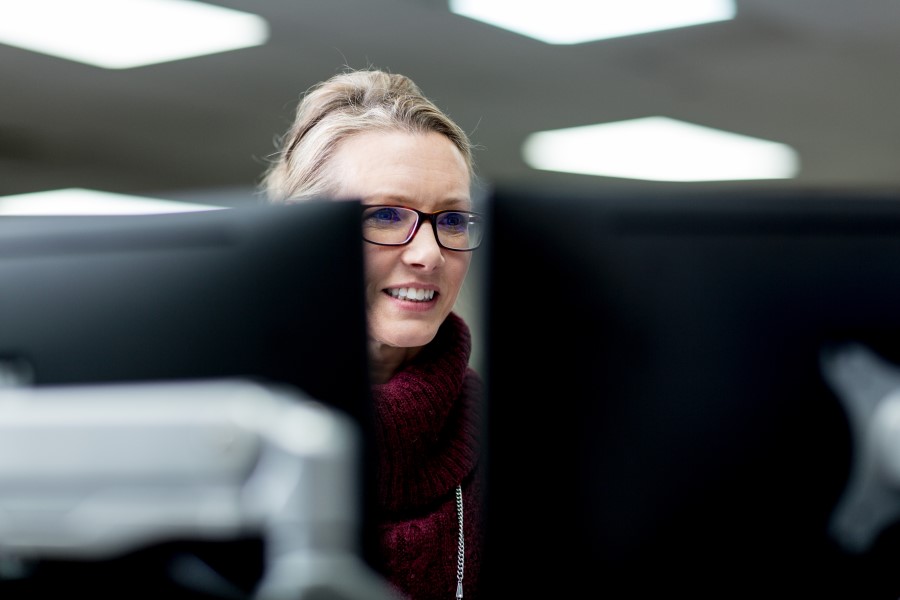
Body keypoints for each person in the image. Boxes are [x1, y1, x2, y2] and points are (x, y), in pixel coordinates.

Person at [260, 67, 484, 600]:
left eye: (452, 221)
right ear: (300, 236)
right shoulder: (230, 427)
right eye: (385, 215)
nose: (429, 254)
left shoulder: (528, 441)